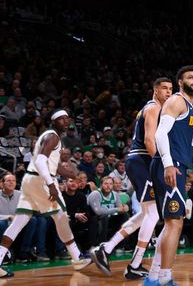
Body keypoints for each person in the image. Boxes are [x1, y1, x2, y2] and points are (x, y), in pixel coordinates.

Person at [90, 76, 172, 278]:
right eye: (164, 88)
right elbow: (149, 141)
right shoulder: (153, 108)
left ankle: (106, 249)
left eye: (171, 89)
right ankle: (134, 264)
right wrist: (162, 166)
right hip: (142, 160)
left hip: (139, 161)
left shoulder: (156, 110)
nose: (169, 92)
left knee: (146, 214)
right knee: (153, 214)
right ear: (155, 90)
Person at [0, 110, 92, 277]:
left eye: (67, 119)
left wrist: (72, 175)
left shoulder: (48, 137)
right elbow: (42, 161)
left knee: (19, 222)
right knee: (62, 216)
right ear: (53, 121)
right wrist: (51, 185)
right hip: (42, 181)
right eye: (61, 119)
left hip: (30, 179)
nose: (65, 121)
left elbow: (51, 164)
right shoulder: (53, 137)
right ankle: (77, 257)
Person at [143, 66, 193, 286]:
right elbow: (159, 133)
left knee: (171, 223)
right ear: (180, 82)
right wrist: (168, 165)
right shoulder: (177, 101)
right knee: (174, 222)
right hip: (169, 165)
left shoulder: (189, 106)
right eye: (189, 77)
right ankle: (164, 278)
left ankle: (153, 278)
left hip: (176, 165)